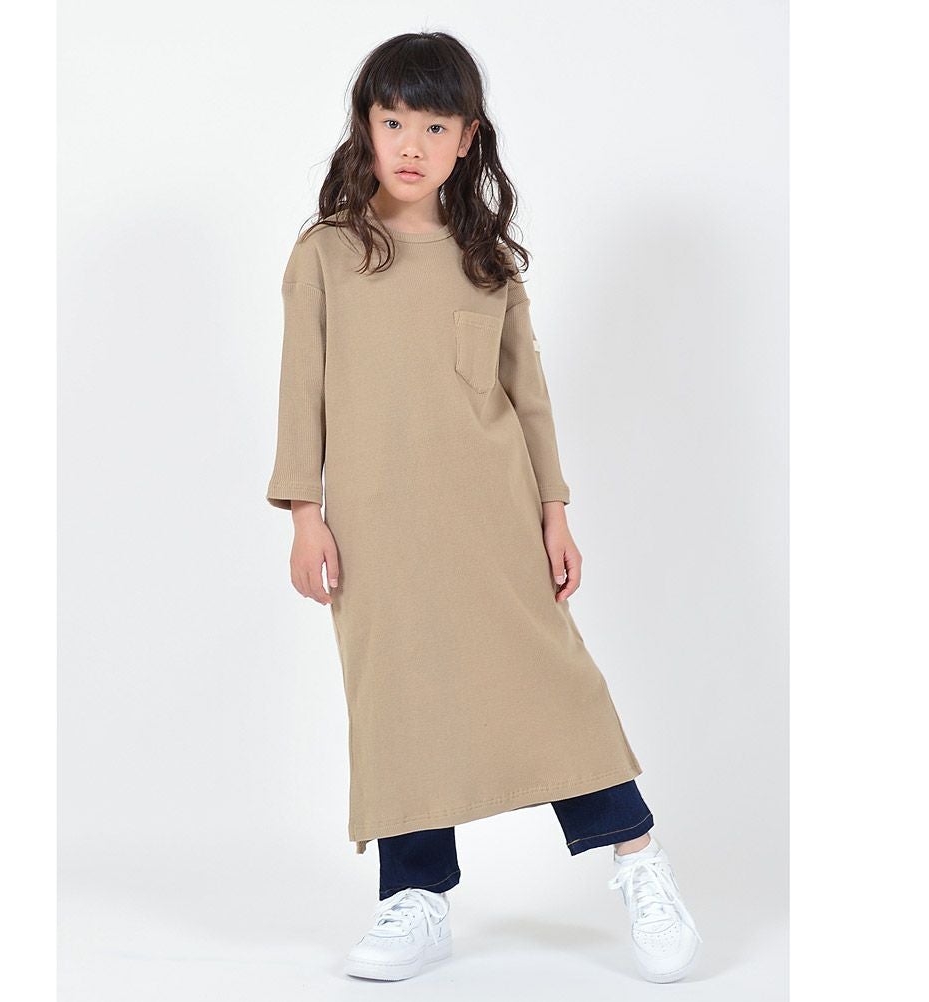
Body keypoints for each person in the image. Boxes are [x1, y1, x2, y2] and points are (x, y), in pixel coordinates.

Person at [266, 31, 702, 984]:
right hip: (377, 529)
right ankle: (414, 900)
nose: (411, 144)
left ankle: (638, 861)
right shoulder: (327, 254)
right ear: (365, 128)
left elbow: (527, 397)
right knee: (399, 701)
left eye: (435, 126)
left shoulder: (486, 261)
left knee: (552, 688)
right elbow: (302, 390)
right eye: (393, 121)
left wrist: (554, 509)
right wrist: (304, 512)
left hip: (494, 521)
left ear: (468, 139)